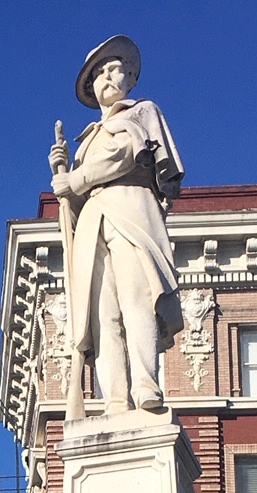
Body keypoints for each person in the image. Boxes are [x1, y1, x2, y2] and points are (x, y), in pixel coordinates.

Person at [47, 34, 186, 418]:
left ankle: (145, 384)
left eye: (115, 68)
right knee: (103, 315)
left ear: (130, 76)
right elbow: (76, 197)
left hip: (130, 208)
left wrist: (73, 180)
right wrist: (63, 171)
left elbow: (125, 155)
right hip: (94, 220)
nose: (108, 77)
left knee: (136, 300)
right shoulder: (85, 141)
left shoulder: (141, 113)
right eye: (100, 72)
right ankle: (114, 398)